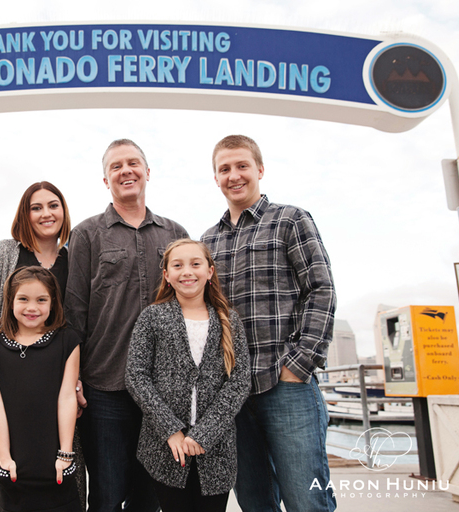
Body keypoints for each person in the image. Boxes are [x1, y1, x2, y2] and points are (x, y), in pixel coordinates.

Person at [200, 135, 337, 511]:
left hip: (286, 386)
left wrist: (300, 364)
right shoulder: (207, 242)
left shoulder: (291, 220)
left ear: (259, 169)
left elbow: (321, 290)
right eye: (224, 169)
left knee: (305, 500)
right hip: (232, 396)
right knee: (254, 501)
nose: (234, 175)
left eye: (242, 165)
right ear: (215, 178)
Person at [65, 139, 188, 512]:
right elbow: (74, 313)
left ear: (147, 172)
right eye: (116, 166)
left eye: (133, 163)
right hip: (105, 389)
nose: (126, 171)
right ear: (106, 180)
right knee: (105, 495)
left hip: (163, 391)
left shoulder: (175, 234)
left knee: (150, 498)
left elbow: (194, 307)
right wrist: (73, 380)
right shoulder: (86, 235)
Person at [0, 182, 79, 512]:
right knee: (1, 485)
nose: (46, 213)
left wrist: (77, 378)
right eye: (36, 207)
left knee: (61, 480)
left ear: (63, 211)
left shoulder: (74, 256)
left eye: (53, 205)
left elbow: (79, 320)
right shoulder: (5, 252)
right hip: (4, 385)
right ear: (25, 213)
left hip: (57, 388)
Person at [125, 239, 250, 512]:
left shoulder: (228, 319)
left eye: (196, 264)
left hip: (216, 448)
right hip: (164, 447)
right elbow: (136, 376)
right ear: (167, 275)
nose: (187, 272)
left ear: (210, 271)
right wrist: (171, 430)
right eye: (178, 265)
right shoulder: (152, 317)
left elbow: (239, 381)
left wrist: (204, 434)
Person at [0, 266, 81, 512]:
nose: (32, 307)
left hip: (54, 459)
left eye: (41, 300)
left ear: (53, 302)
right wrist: (4, 458)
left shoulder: (68, 341)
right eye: (23, 299)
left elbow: (67, 397)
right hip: (14, 459)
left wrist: (65, 455)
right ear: (10, 301)